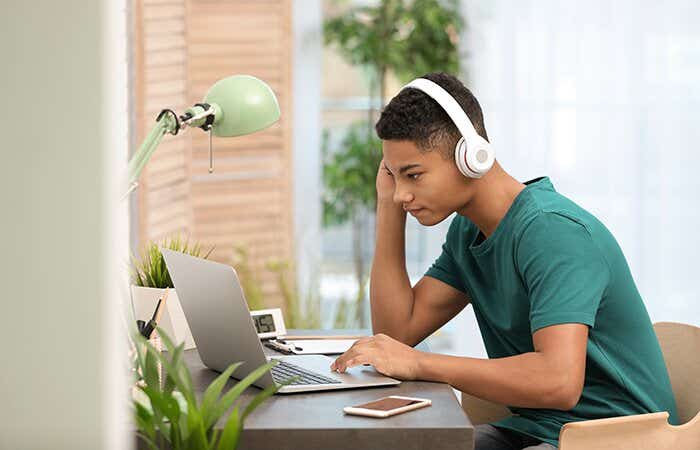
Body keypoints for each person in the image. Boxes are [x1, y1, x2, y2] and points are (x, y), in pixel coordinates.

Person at [329, 72, 678, 449]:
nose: (403, 194)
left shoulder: (552, 233)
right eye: (394, 177)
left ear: (471, 157)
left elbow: (558, 382)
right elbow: (397, 334)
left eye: (413, 175)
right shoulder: (467, 232)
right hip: (538, 430)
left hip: (616, 437)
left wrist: (419, 364)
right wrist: (387, 207)